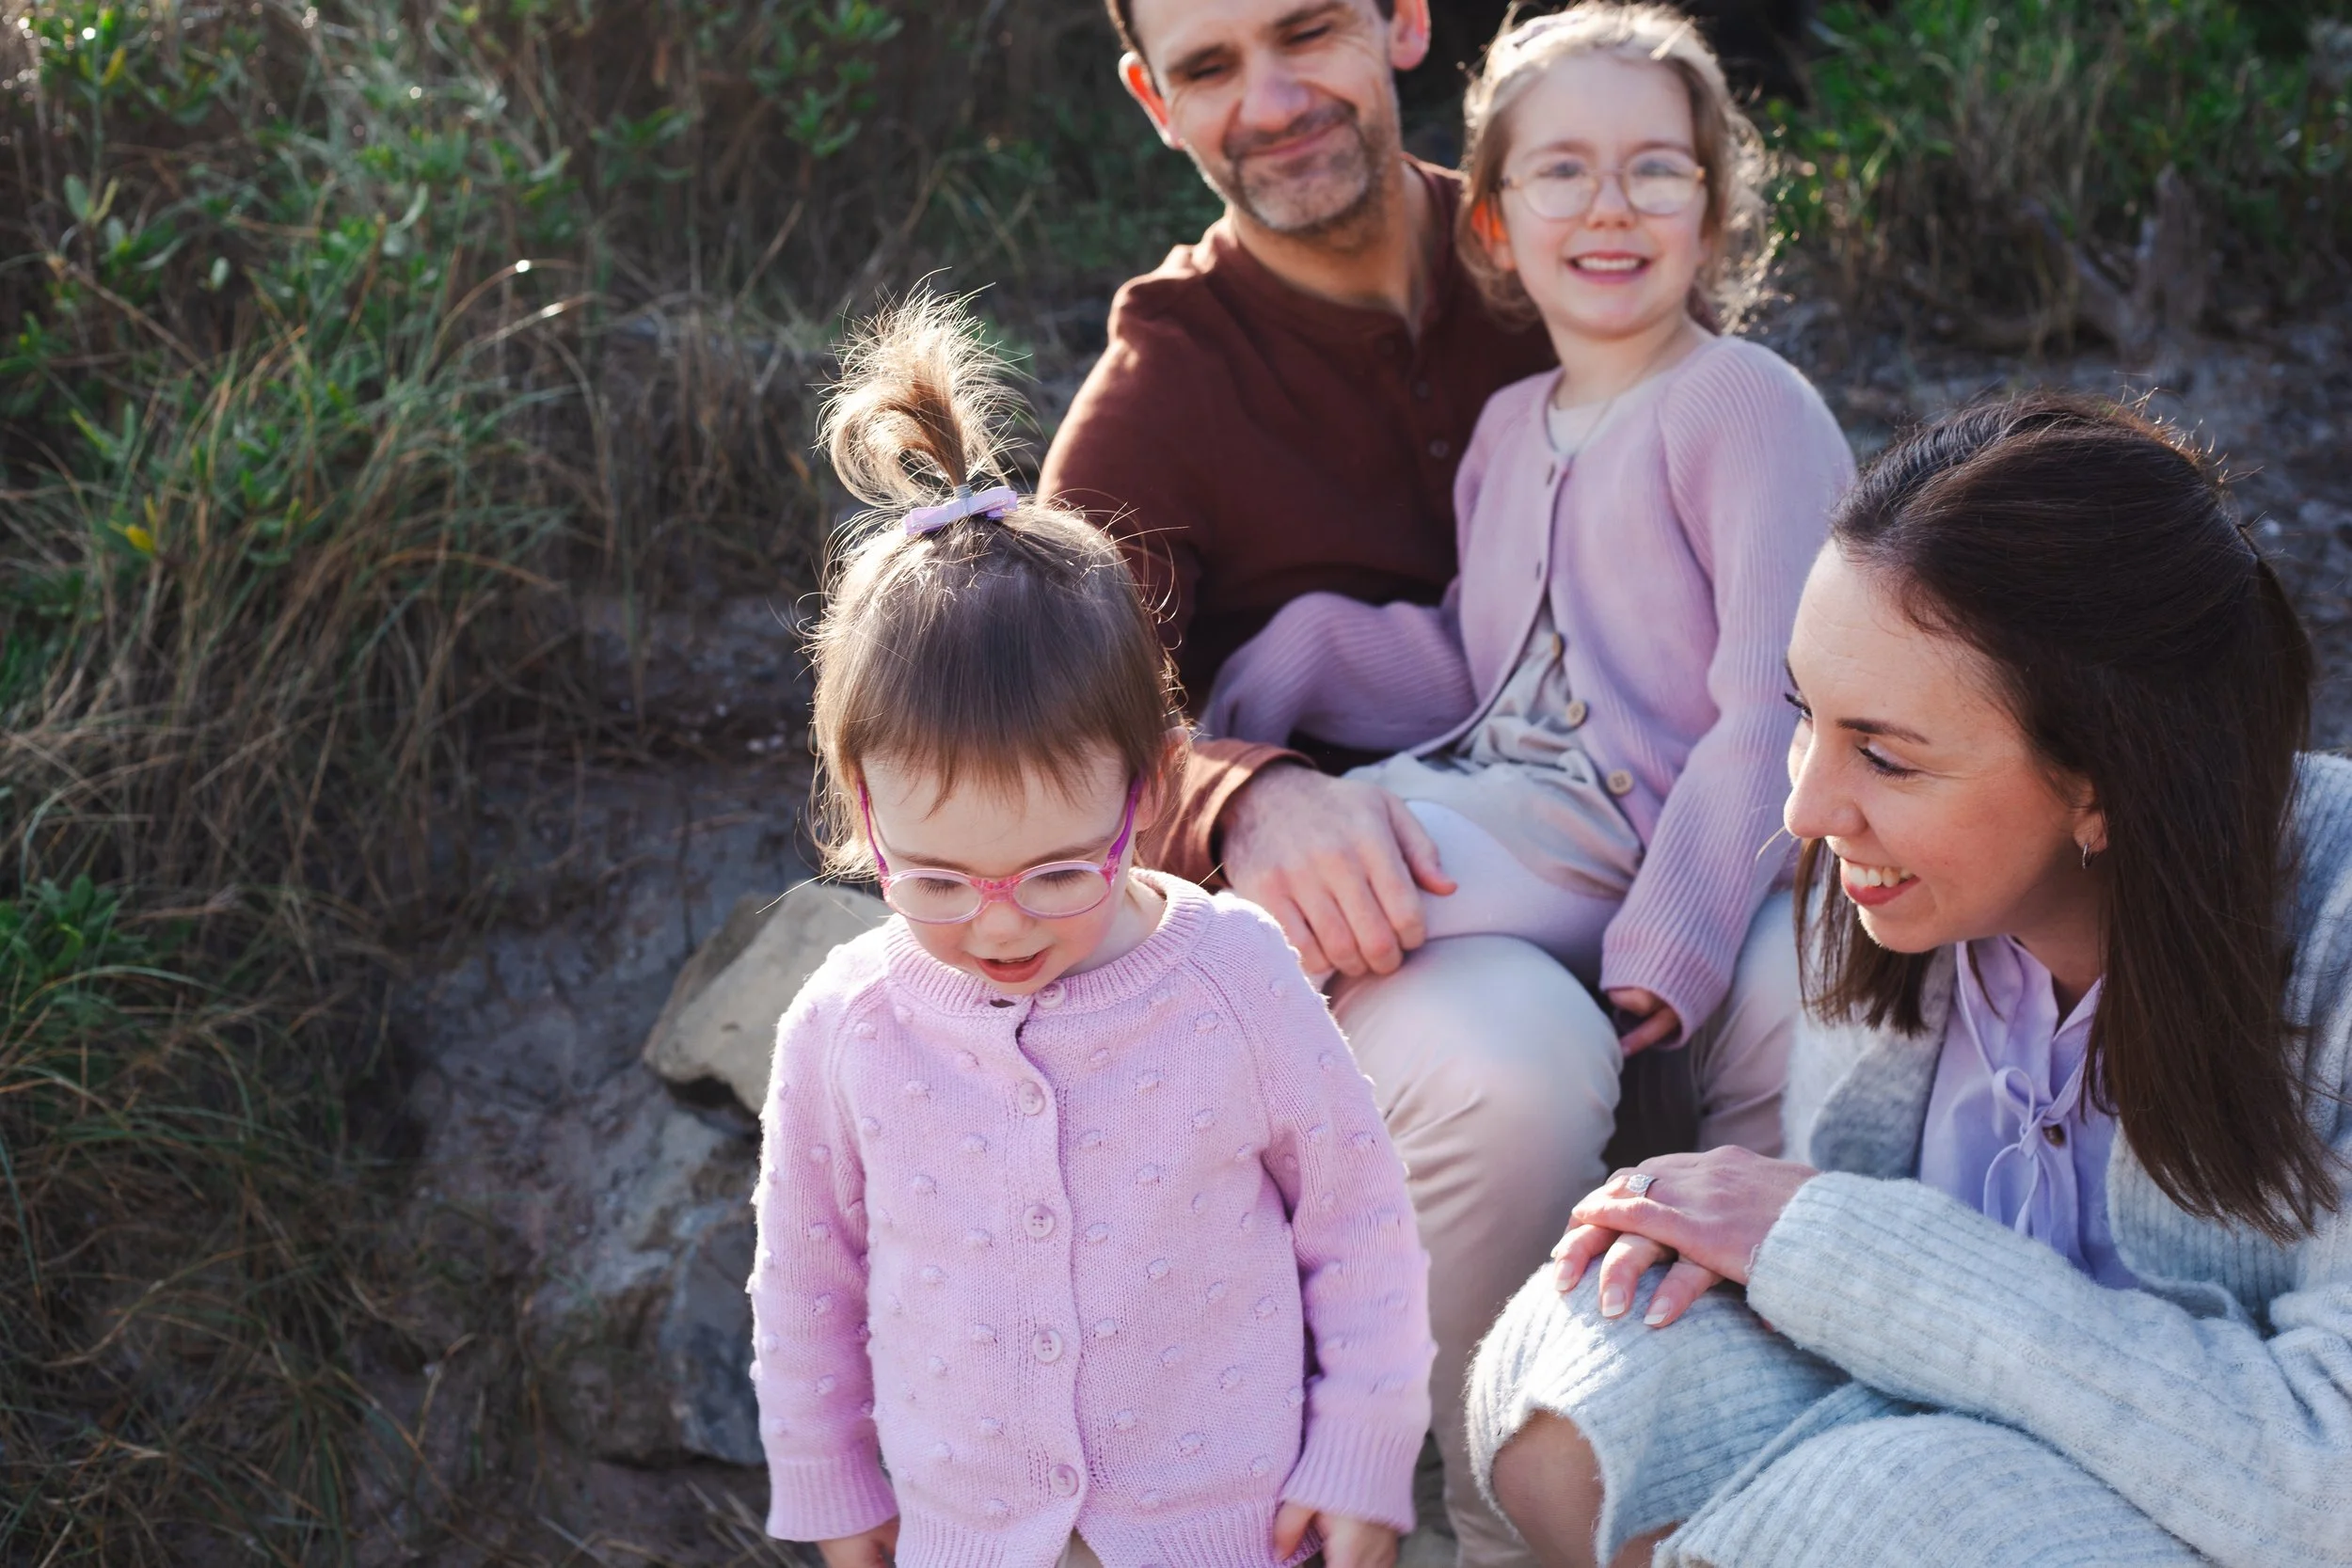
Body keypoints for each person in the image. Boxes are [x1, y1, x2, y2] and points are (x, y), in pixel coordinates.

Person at [1041, 6, 1791, 1556]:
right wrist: (1249, 789)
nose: (1270, 99)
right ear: (1151, 101)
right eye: (1206, 68)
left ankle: (1794, 1458)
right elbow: (1055, 721)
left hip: (1648, 832)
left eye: (1305, 29)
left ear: (1399, 18)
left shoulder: (1556, 225)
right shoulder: (1162, 390)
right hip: (1412, 904)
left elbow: (1757, 621)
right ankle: (1474, 1504)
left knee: (1841, 981)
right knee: (1507, 1060)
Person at [1465, 395, 2352, 1567]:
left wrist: (1846, 1249)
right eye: (1805, 717)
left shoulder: (2330, 929)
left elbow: (2320, 1488)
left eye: (1882, 752)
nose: (1806, 807)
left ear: (2105, 777)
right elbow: (1868, 1328)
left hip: (2245, 1511)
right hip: (1994, 1436)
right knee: (1579, 1369)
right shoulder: (1898, 892)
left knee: (1885, 1511)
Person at [750, 294, 1434, 1568]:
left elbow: (1358, 1220)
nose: (997, 923)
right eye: (939, 880)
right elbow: (806, 1287)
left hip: (1228, 1528)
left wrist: (1363, 1450)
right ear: (864, 812)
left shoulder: (1232, 976)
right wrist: (840, 1500)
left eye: (1058, 871)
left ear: (1145, 795)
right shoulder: (846, 1025)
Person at [1203, 6, 1852, 1131]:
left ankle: (1158, 1143)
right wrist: (1301, 652)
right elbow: (1480, 660)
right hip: (1498, 796)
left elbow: (1778, 710)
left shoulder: (1743, 403)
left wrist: (1675, 936)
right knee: (1333, 839)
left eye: (1655, 170)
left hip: (1627, 830)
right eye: (1560, 171)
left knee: (1336, 884)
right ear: (1496, 222)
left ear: (1710, 213)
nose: (1608, 206)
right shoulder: (1510, 426)